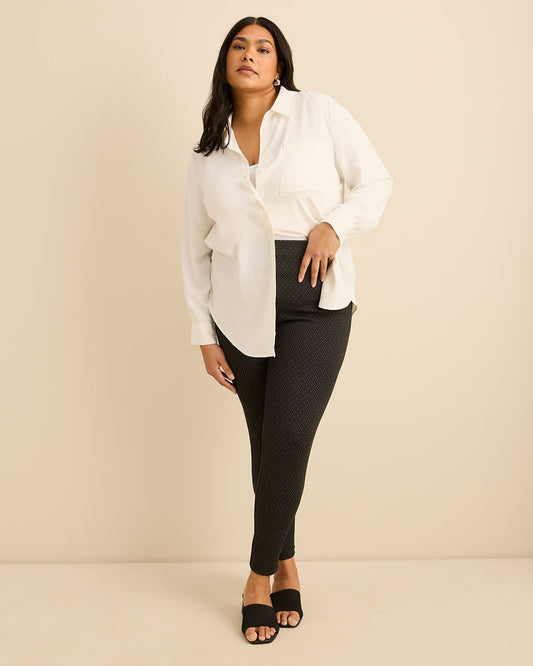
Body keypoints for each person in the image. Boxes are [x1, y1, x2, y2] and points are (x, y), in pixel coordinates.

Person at [181, 16, 394, 644]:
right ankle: (289, 563)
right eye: (238, 46)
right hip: (237, 312)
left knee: (291, 435)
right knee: (267, 443)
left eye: (262, 47)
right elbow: (193, 249)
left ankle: (257, 575)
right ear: (225, 62)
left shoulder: (318, 114)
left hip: (315, 305)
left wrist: (335, 224)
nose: (249, 54)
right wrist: (203, 333)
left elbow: (376, 182)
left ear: (280, 66)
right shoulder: (208, 152)